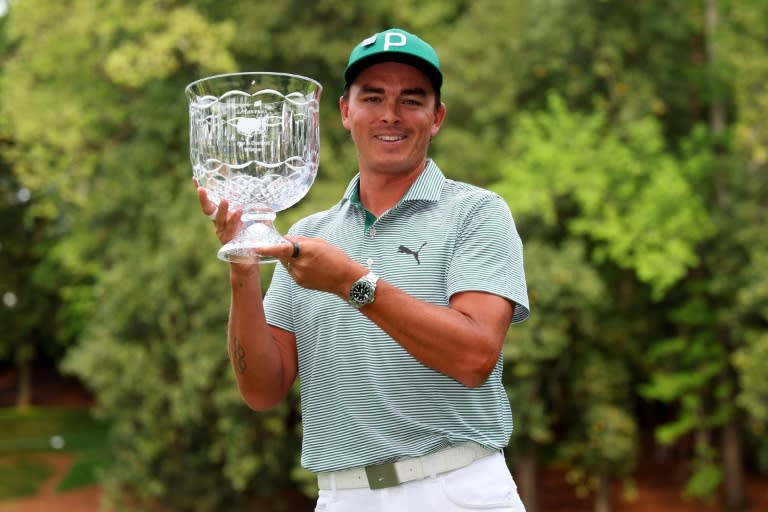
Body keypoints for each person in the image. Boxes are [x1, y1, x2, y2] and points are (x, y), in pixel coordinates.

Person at [197, 27, 530, 512]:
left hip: (456, 489)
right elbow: (262, 390)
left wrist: (352, 283)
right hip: (342, 495)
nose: (390, 114)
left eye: (411, 100)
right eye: (372, 97)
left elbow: (475, 357)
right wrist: (243, 264)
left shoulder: (477, 212)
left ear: (436, 118)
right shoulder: (312, 233)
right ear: (345, 112)